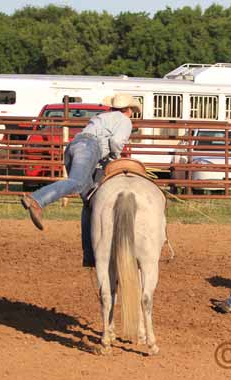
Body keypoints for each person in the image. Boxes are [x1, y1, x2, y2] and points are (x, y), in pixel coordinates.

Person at [21, 93, 142, 268]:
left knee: (90, 201)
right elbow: (116, 141)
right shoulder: (125, 121)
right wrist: (115, 157)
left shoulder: (101, 117)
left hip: (74, 146)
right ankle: (37, 200)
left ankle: (90, 255)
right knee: (77, 183)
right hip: (88, 148)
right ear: (128, 110)